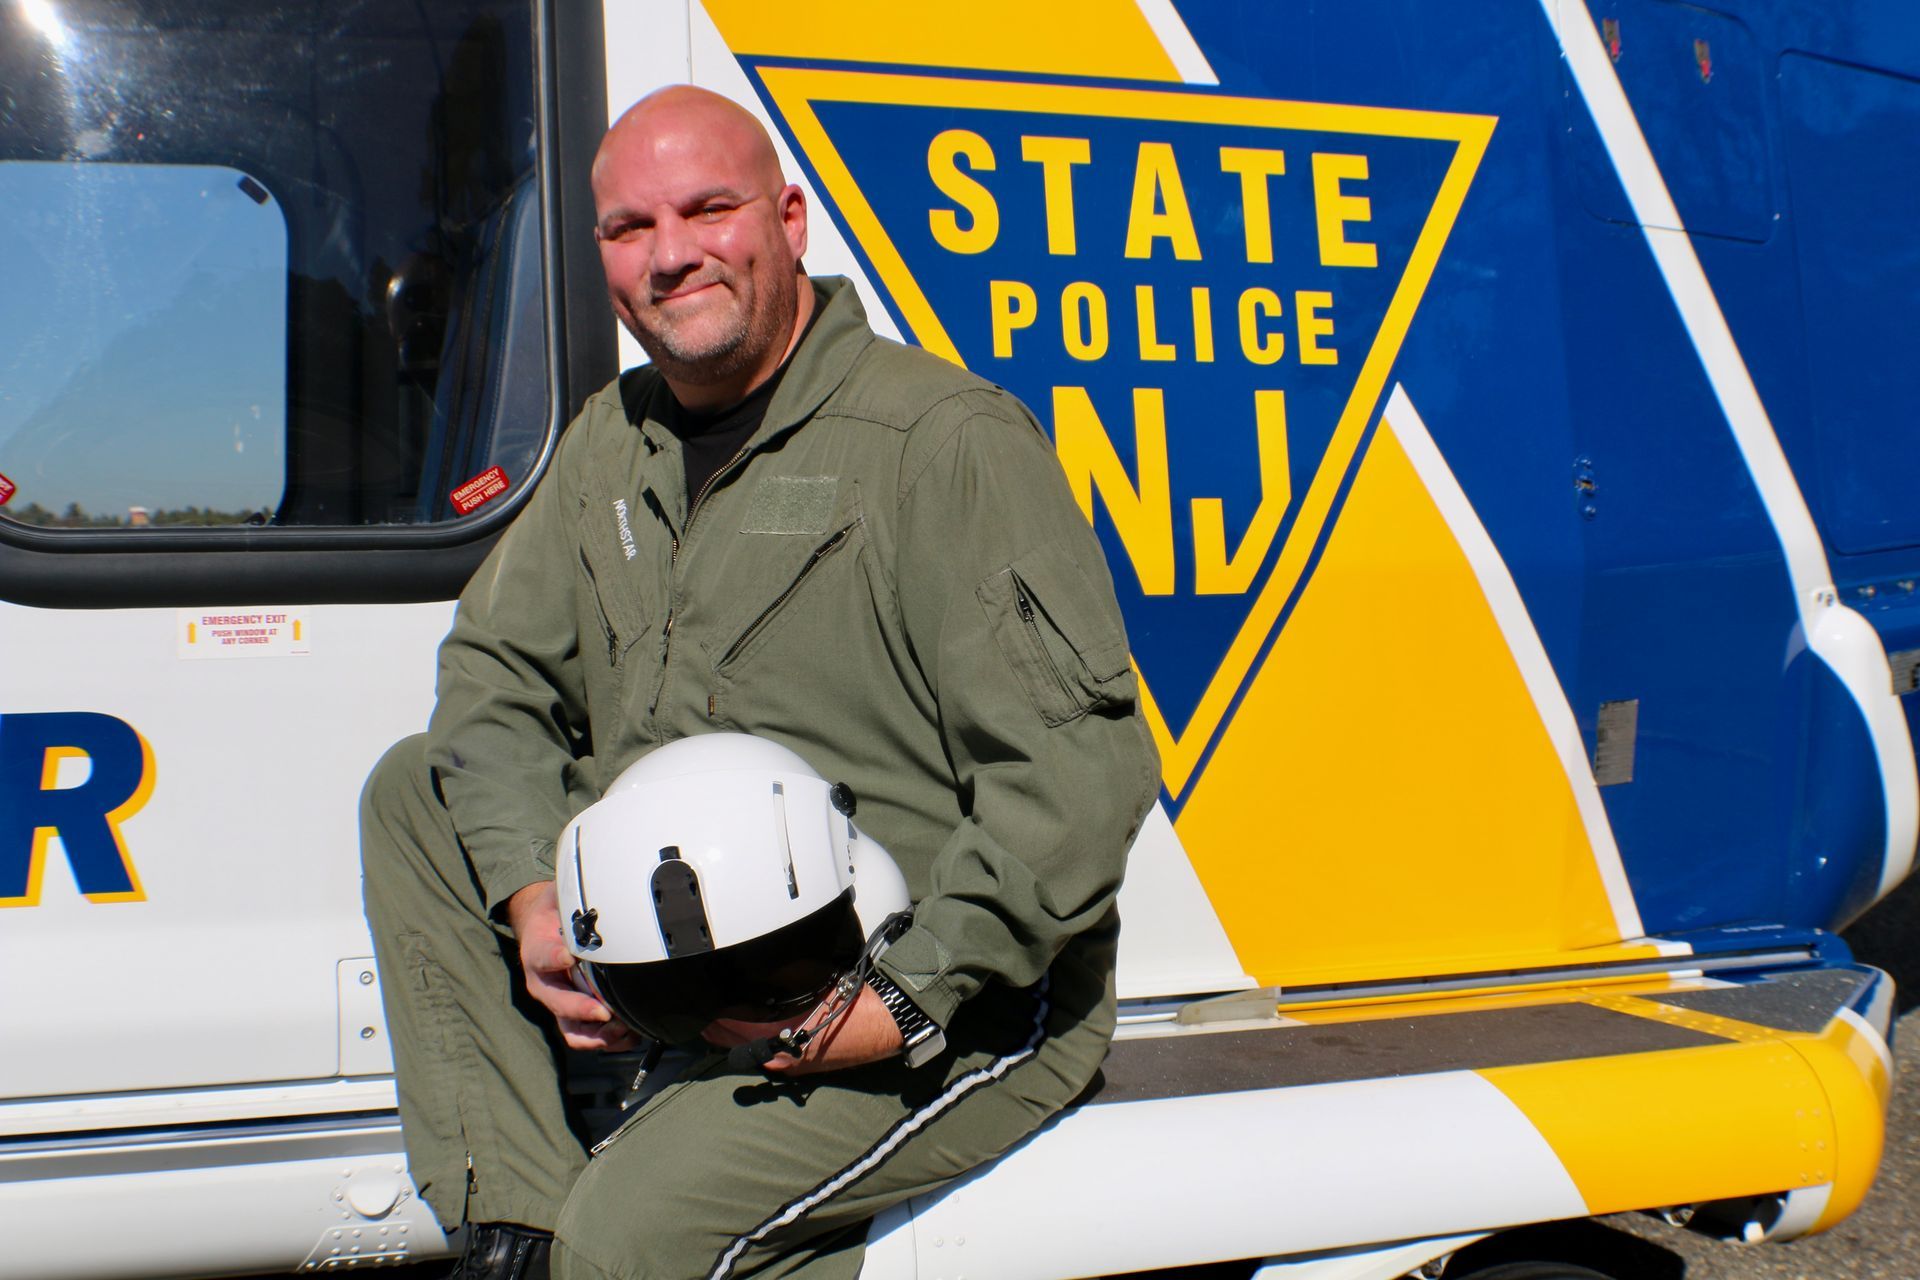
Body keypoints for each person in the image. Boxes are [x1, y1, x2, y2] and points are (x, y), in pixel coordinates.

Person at [360, 84, 1159, 1280]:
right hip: (689, 961)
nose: (671, 254)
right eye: (631, 228)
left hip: (917, 991)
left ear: (788, 218)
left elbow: (1077, 779)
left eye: (708, 209)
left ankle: (591, 1245)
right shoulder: (604, 446)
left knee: (629, 1240)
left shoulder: (939, 441)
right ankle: (515, 1229)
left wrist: (909, 992)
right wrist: (535, 895)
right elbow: (493, 677)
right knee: (417, 789)